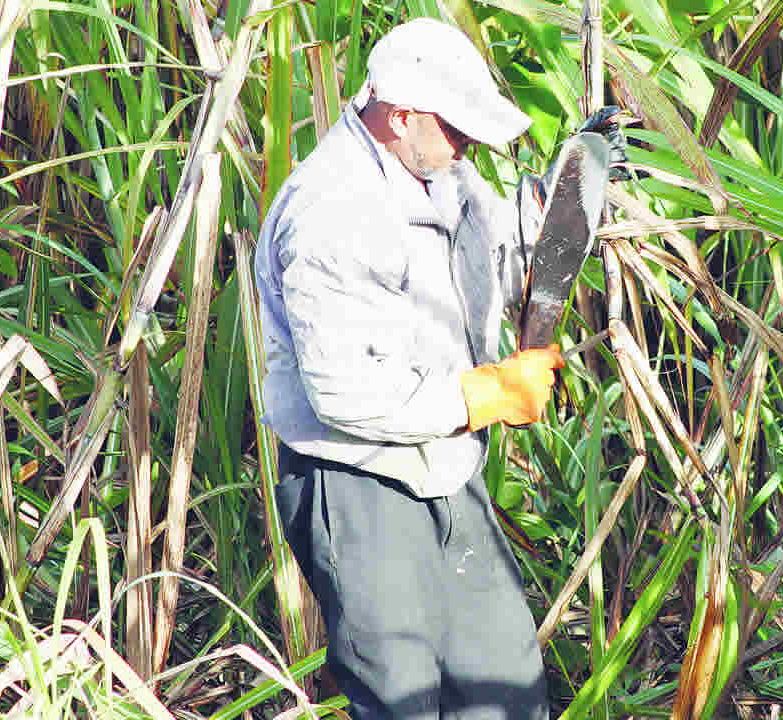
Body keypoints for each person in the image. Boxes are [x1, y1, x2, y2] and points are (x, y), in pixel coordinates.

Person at [254, 17, 621, 720]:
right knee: (404, 695)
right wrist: (489, 393)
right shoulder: (332, 211)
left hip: (444, 465)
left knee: (503, 680)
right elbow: (343, 391)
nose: (469, 146)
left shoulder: (439, 171)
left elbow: (500, 245)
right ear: (402, 116)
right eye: (457, 130)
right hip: (357, 481)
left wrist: (572, 184)